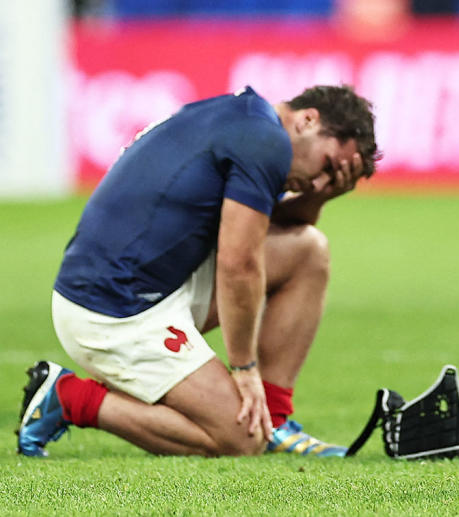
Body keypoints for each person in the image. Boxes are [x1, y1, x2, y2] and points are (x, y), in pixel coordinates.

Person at [17, 84, 381, 458]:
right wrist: (244, 369)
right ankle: (68, 398)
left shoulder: (250, 121)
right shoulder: (264, 141)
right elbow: (239, 262)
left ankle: (274, 421)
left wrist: (322, 194)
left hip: (151, 282)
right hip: (112, 311)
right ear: (308, 120)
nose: (320, 181)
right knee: (241, 440)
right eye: (327, 167)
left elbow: (276, 227)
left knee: (307, 250)